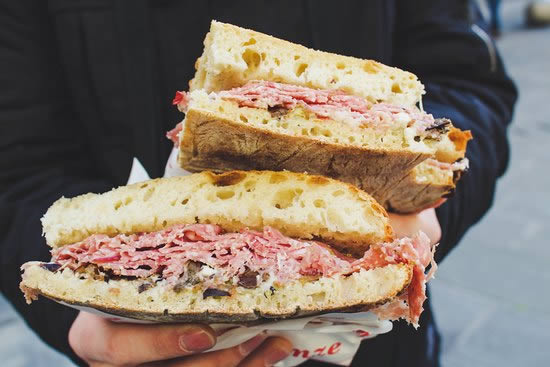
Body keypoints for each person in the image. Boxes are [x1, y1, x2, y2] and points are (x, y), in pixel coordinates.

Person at [0, 0, 517, 366]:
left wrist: (429, 214)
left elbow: (471, 84)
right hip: (134, 348)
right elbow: (16, 164)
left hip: (384, 351)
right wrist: (79, 325)